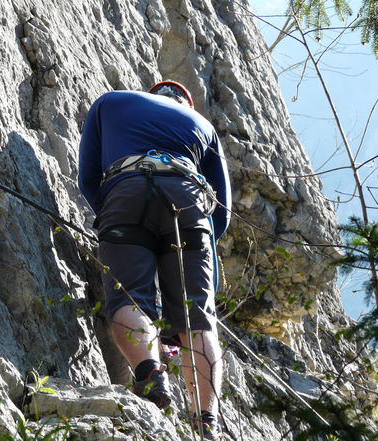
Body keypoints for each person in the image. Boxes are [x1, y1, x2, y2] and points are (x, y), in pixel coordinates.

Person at [78, 80, 231, 439]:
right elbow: (221, 211)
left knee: (129, 298)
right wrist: (202, 245)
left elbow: (88, 178)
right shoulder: (203, 125)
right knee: (198, 320)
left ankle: (150, 374)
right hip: (188, 198)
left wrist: (116, 222)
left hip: (125, 188)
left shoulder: (111, 101)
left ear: (152, 93)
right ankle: (205, 422)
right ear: (185, 102)